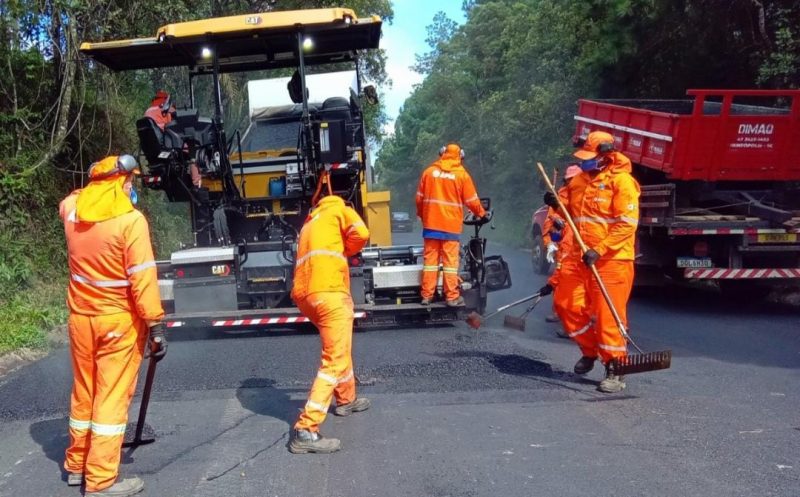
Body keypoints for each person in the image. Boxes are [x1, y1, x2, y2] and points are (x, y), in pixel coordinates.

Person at [60, 155, 166, 496]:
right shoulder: (130, 221)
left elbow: (70, 199)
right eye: (129, 181)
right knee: (111, 396)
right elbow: (142, 278)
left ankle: (77, 465)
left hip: (81, 319)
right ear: (119, 183)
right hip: (117, 322)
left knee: (85, 392)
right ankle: (102, 480)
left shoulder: (73, 212)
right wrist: (156, 324)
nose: (132, 187)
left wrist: (97, 181)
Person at [543, 131, 640, 393]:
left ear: (605, 156)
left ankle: (616, 368)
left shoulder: (622, 182)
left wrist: (600, 249)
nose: (585, 162)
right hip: (579, 257)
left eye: (590, 158)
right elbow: (566, 211)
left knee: (609, 317)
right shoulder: (579, 182)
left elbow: (626, 224)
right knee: (565, 305)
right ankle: (590, 350)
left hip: (611, 260)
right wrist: (555, 203)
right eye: (583, 158)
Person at [288, 188, 371, 454]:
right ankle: (306, 429)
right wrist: (347, 249)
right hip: (330, 291)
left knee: (340, 346)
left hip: (306, 294)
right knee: (333, 359)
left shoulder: (310, 220)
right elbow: (362, 233)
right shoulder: (340, 209)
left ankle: (346, 400)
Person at [416, 143, 487, 307]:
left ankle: (426, 296)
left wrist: (422, 215)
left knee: (430, 263)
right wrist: (482, 214)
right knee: (449, 263)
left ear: (442, 154)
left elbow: (419, 198)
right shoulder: (462, 175)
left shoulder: (429, 172)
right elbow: (471, 201)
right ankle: (451, 297)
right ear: (460, 156)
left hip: (431, 225)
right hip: (450, 226)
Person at [542, 164, 582, 328]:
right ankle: (561, 313)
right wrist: (549, 242)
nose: (571, 182)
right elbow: (549, 221)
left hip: (578, 244)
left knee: (573, 283)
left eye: (573, 179)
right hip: (565, 244)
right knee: (563, 276)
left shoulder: (586, 195)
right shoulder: (562, 195)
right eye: (568, 180)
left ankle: (576, 320)